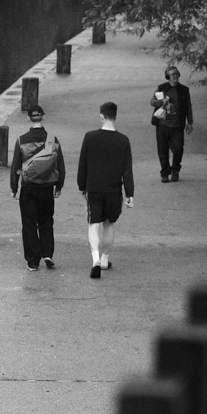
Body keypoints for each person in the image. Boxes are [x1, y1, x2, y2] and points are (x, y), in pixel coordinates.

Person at [76, 100, 134, 279]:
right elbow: (127, 170)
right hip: (113, 189)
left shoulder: (90, 137)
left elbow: (82, 165)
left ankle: (94, 259)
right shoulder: (123, 141)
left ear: (101, 116)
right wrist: (129, 193)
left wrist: (82, 185)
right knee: (109, 224)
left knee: (93, 224)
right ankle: (104, 259)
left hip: (94, 187)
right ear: (116, 116)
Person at [9, 103, 66, 270]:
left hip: (28, 188)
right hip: (47, 188)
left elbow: (16, 167)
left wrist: (14, 188)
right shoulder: (53, 140)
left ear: (28, 118)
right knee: (46, 221)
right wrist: (59, 186)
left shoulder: (21, 140)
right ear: (43, 117)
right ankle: (47, 254)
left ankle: (33, 261)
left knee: (29, 223)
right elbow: (60, 165)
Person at [151, 65, 194, 181]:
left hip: (177, 126)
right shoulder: (161, 88)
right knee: (162, 150)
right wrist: (161, 102)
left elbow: (188, 107)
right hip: (162, 125)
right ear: (167, 77)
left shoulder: (184, 90)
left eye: (177, 74)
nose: (175, 76)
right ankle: (164, 173)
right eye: (172, 74)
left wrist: (190, 122)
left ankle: (175, 169)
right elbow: (152, 102)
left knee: (178, 149)